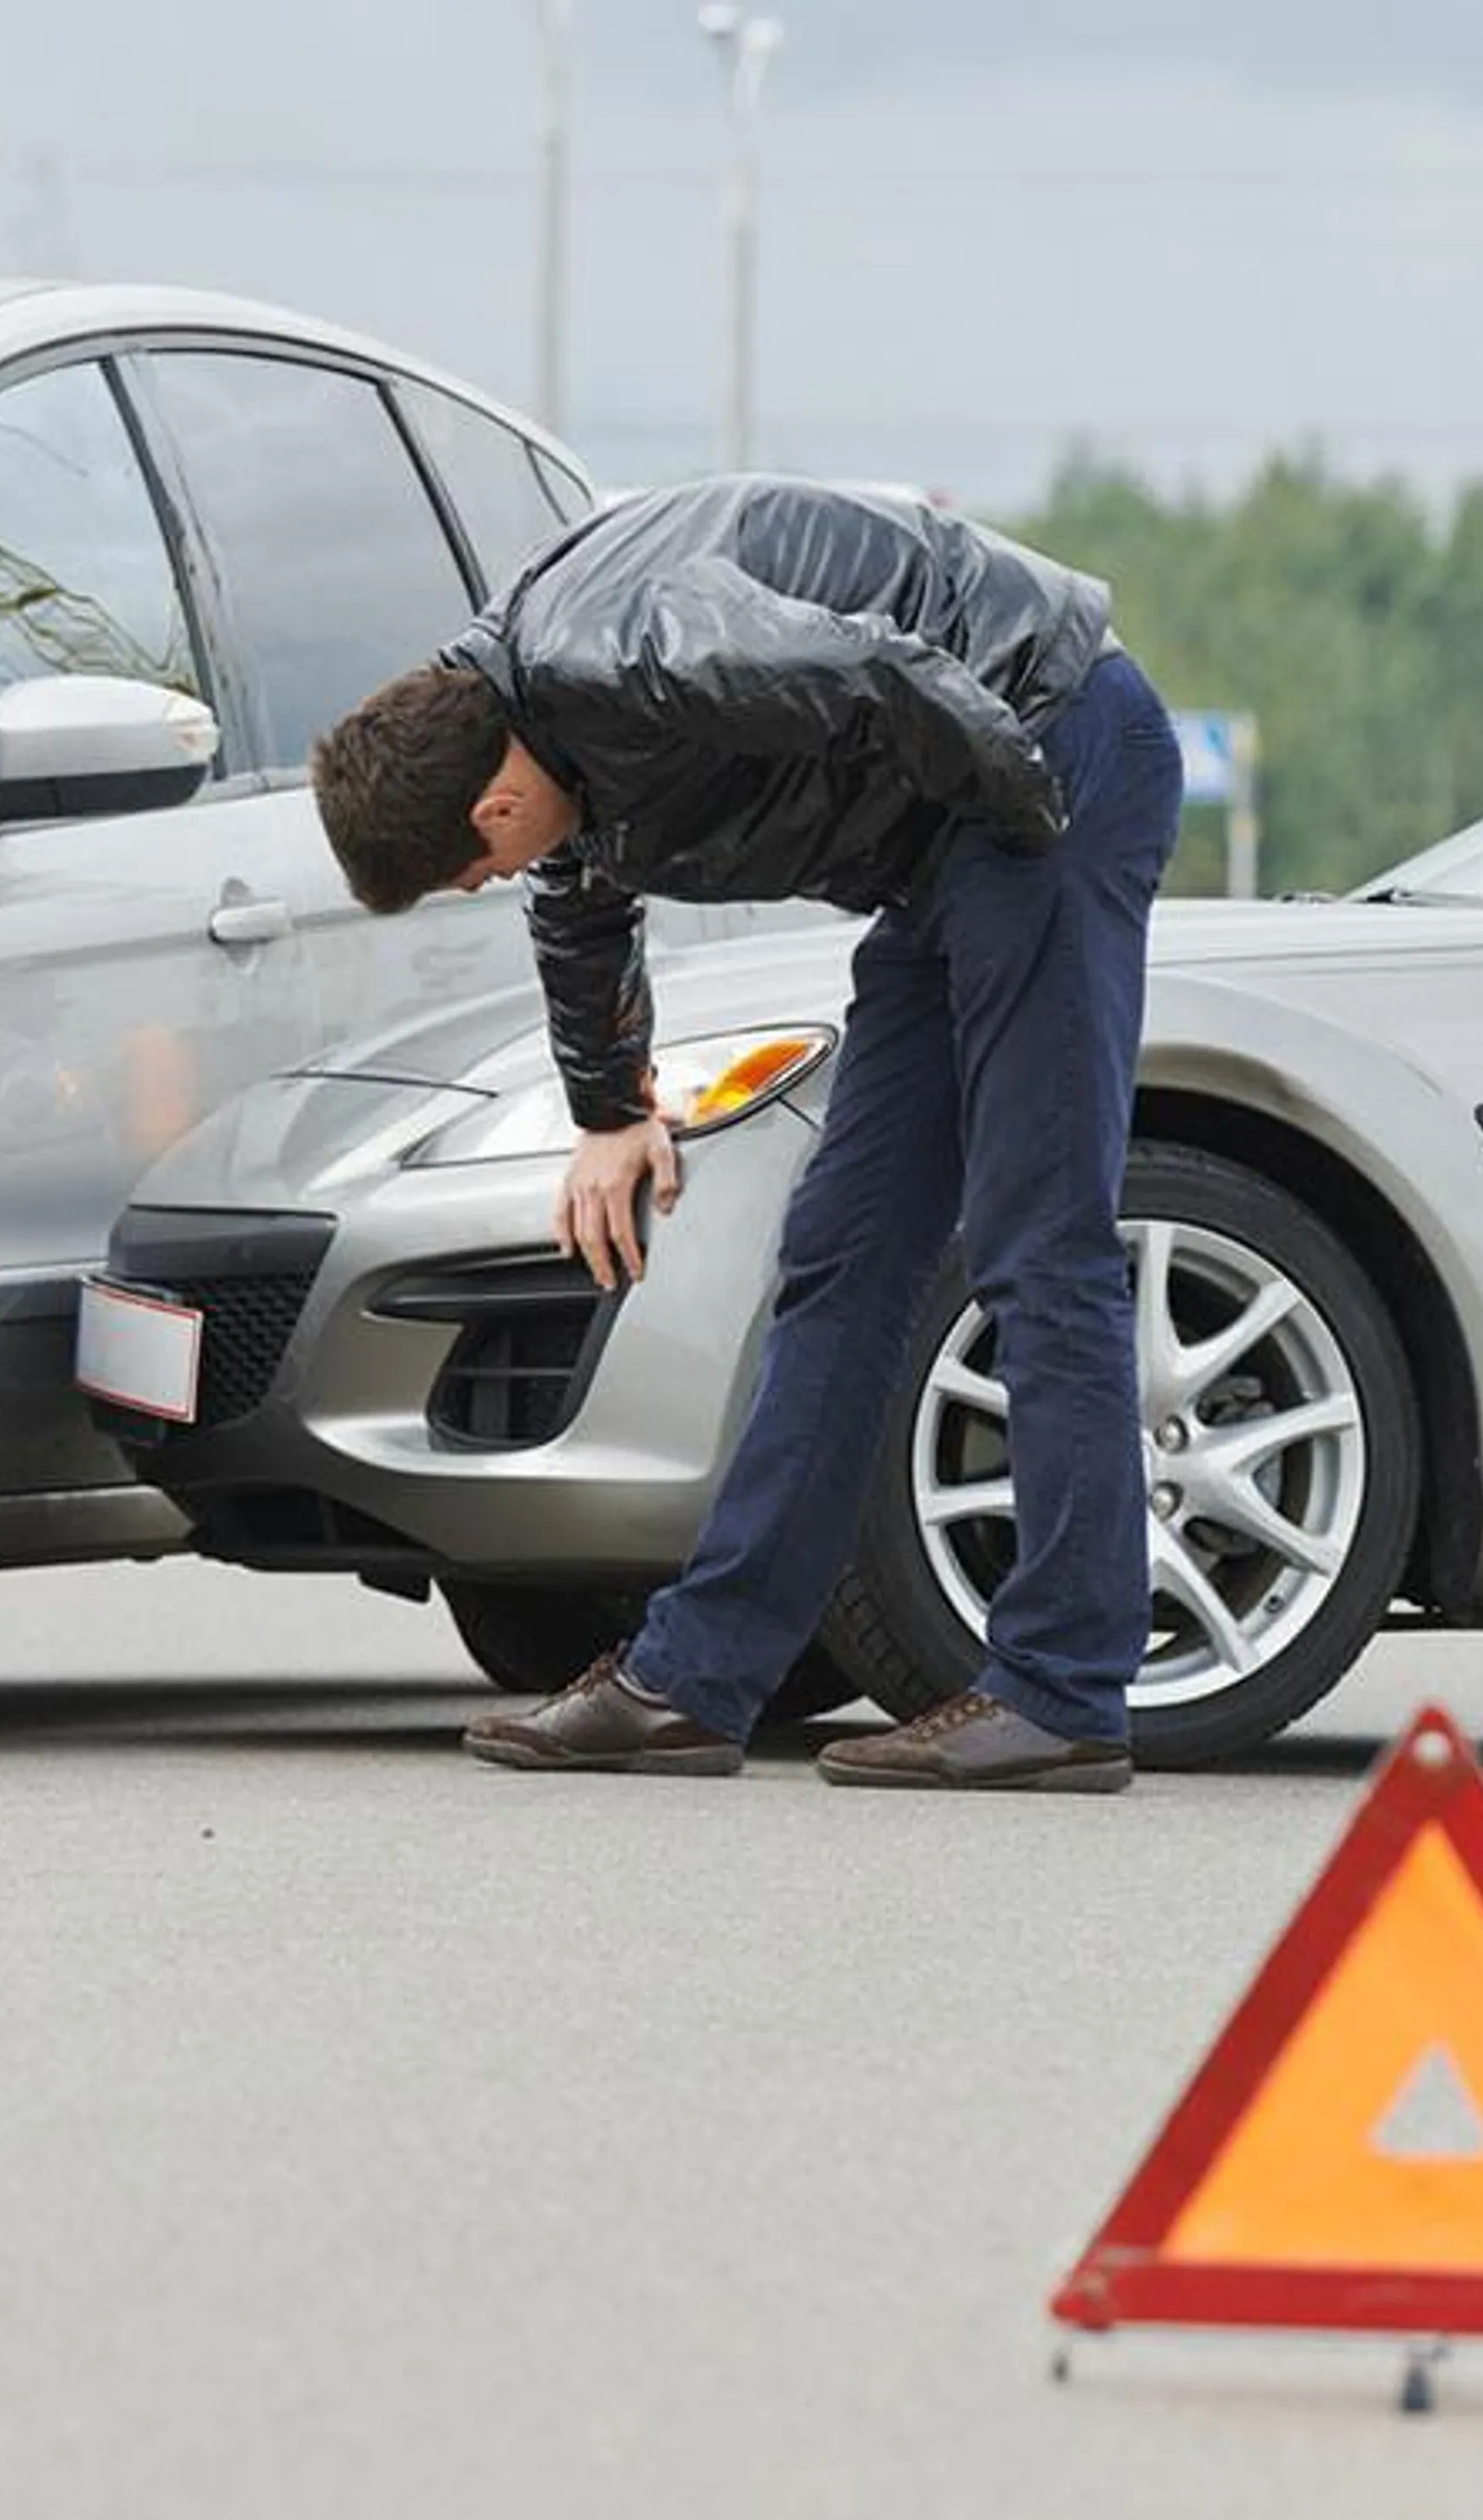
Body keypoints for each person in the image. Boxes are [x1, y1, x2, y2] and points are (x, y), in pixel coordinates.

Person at [309, 476, 1183, 1793]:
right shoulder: (526, 710)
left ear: (489, 805)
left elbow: (885, 675)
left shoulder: (644, 651)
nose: (491, 882)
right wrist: (608, 1112)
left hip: (1042, 769)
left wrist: (1028, 847)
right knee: (840, 1252)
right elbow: (581, 893)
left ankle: (1064, 1689)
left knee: (1035, 1235)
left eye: (466, 872)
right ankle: (696, 1681)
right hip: (955, 845)